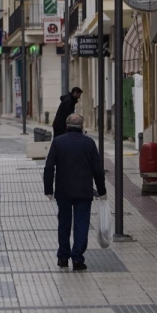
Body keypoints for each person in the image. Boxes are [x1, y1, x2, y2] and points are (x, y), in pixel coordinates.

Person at [43, 113, 106, 271]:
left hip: (63, 191)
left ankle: (63, 257)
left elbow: (49, 167)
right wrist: (102, 190)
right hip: (84, 191)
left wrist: (49, 190)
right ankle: (77, 258)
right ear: (82, 126)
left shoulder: (58, 142)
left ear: (66, 125)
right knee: (81, 224)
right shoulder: (89, 143)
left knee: (64, 224)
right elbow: (97, 169)